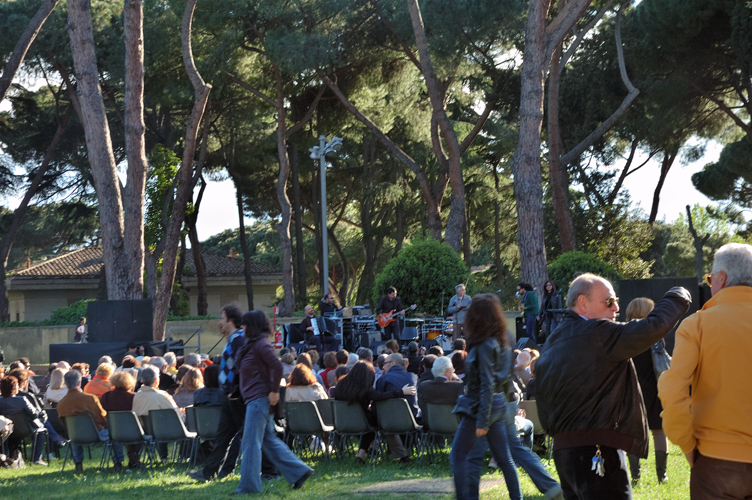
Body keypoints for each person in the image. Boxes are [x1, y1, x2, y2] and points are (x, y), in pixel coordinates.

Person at [535, 273, 690, 500]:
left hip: (564, 454)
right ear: (583, 303)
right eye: (608, 301)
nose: (616, 306)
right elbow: (654, 325)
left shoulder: (552, 341)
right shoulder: (599, 333)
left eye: (616, 299)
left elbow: (543, 399)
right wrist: (679, 294)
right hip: (598, 452)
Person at [659, 243, 752, 500]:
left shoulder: (698, 324)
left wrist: (687, 445)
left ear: (721, 278)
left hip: (715, 462)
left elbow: (672, 390)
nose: (710, 284)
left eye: (710, 278)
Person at [450, 294, 521, 500]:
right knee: (504, 459)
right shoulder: (502, 341)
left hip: (480, 406)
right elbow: (503, 377)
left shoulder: (483, 345)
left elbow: (486, 383)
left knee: (458, 456)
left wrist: (483, 420)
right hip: (498, 404)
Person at [234, 310, 313, 494]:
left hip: (259, 399)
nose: (242, 327)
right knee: (267, 440)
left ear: (251, 326)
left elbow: (276, 366)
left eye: (245, 324)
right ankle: (299, 471)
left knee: (251, 443)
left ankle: (248, 486)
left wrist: (274, 392)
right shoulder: (253, 345)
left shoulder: (260, 345)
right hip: (258, 399)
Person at [623, 297, 669, 484]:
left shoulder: (623, 334)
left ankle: (635, 475)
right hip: (654, 387)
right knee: (659, 431)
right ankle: (662, 475)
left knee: (632, 433)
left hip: (631, 389)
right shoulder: (655, 333)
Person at [333, 360, 415, 464]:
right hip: (362, 422)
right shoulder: (365, 389)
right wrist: (401, 392)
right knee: (384, 423)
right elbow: (381, 396)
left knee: (370, 426)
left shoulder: (340, 385)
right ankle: (402, 456)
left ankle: (362, 455)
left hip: (342, 422)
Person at [57, 369, 124, 472]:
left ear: (65, 383)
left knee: (75, 434)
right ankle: (118, 464)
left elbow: (63, 423)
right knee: (114, 433)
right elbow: (102, 417)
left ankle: (78, 464)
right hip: (96, 434)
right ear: (79, 382)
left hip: (74, 436)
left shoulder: (61, 403)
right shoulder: (90, 399)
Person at [0, 375, 49, 465]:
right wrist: (42, 414)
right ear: (14, 388)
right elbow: (34, 414)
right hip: (25, 429)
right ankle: (36, 458)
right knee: (41, 429)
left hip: (6, 431)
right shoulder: (22, 400)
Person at [100, 371, 140, 470]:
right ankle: (134, 457)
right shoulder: (134, 397)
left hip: (113, 432)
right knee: (139, 430)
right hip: (133, 431)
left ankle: (119, 462)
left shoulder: (106, 397)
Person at [375, 353, 419, 418]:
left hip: (387, 421)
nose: (383, 367)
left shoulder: (383, 379)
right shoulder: (413, 377)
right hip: (411, 420)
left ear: (393, 363)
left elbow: (377, 402)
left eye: (385, 363)